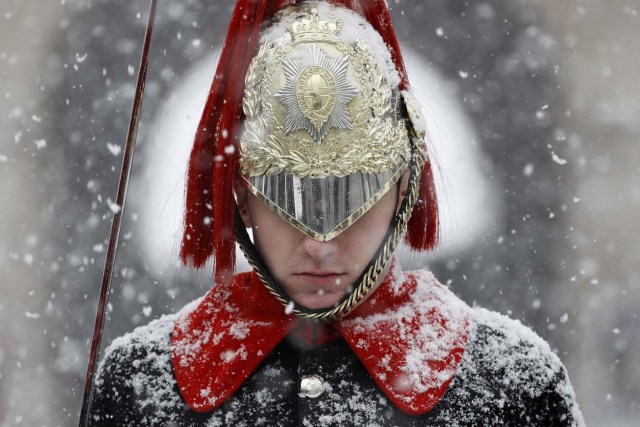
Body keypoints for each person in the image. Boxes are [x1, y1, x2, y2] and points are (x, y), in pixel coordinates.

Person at [89, 1, 586, 425]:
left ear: (402, 185)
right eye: (287, 198)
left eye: (354, 197)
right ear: (241, 193)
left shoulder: (511, 382)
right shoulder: (141, 382)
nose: (320, 244)